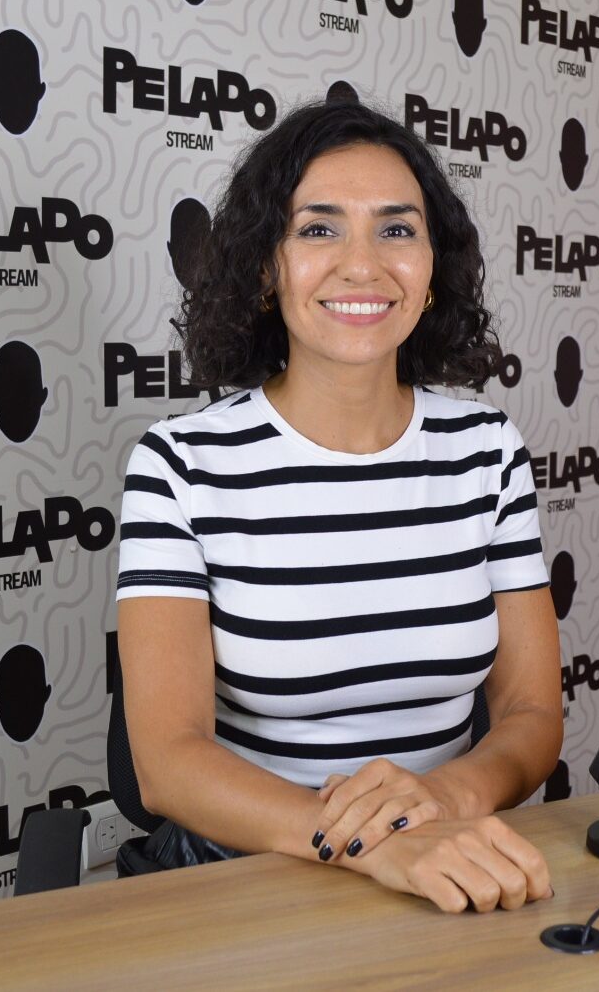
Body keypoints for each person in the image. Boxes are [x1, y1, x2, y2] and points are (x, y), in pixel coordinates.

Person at [117, 100, 563, 913]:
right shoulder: (180, 465)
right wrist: (372, 843)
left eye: (396, 230)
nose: (363, 264)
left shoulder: (488, 451)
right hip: (247, 879)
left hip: (444, 871)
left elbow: (531, 712)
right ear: (266, 267)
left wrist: (445, 801)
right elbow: (168, 761)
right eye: (319, 229)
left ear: (432, 268)